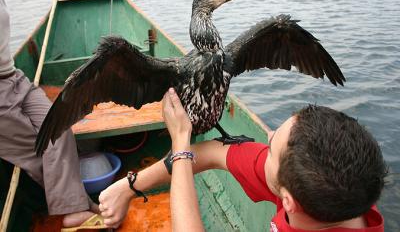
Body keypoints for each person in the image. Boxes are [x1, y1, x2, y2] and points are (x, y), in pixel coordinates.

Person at [99, 88, 386, 231]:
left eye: (272, 148)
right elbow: (211, 153)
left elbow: (193, 152)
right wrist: (129, 187)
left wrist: (180, 140)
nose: (269, 136)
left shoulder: (304, 185)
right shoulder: (328, 189)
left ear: (288, 202)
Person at [0, 0, 102, 229]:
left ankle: (77, 203)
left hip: (15, 79)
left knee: (58, 128)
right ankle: (75, 208)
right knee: (39, 149)